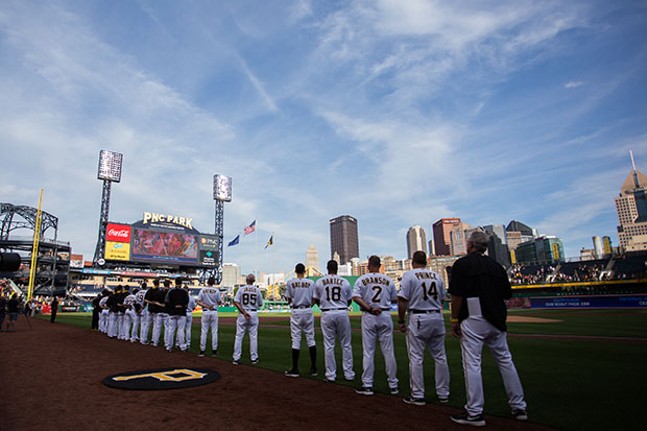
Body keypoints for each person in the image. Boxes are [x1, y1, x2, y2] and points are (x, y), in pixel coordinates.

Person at [448, 231, 528, 426]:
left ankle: (475, 412)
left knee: (472, 364)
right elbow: (506, 295)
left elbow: (457, 296)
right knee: (505, 361)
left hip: (474, 313)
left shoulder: (462, 264)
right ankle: (519, 407)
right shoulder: (497, 266)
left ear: (471, 246)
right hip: (496, 315)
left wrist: (454, 319)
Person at [397, 250, 450, 406]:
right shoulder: (436, 275)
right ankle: (443, 393)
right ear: (426, 262)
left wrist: (401, 320)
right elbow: (441, 298)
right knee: (440, 357)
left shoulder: (410, 275)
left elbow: (402, 300)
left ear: (413, 262)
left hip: (418, 317)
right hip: (436, 316)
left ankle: (418, 394)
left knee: (416, 358)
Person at [353, 255, 398, 395]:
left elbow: (355, 297)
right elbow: (394, 299)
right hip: (385, 315)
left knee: (368, 352)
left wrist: (370, 308)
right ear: (380, 266)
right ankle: (393, 385)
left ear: (368, 266)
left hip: (369, 315)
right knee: (389, 352)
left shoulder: (362, 279)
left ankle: (367, 385)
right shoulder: (388, 280)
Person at [313, 260, 355, 383]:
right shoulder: (345, 282)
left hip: (327, 312)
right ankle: (349, 374)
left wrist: (323, 305)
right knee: (346, 345)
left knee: (329, 345)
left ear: (327, 268)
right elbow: (349, 300)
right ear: (337, 268)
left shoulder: (320, 282)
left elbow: (315, 299)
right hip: (342, 312)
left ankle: (331, 374)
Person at [284, 263, 317, 378]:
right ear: (305, 271)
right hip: (308, 310)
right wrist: (309, 306)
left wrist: (293, 304)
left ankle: (295, 368)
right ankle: (313, 368)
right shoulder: (311, 282)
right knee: (310, 338)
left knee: (296, 339)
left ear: (295, 271)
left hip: (296, 310)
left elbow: (288, 298)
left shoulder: (290, 282)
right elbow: (314, 298)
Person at [232, 274, 263, 365]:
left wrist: (244, 312)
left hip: (243, 313)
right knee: (253, 337)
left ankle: (236, 358)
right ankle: (254, 358)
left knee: (239, 336)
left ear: (246, 280)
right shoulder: (257, 290)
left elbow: (236, 301)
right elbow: (260, 304)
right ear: (254, 281)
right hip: (253, 313)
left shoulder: (241, 289)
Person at [196, 276, 221, 357]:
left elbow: (198, 302)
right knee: (214, 332)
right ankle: (214, 351)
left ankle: (202, 351)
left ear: (207, 282)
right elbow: (219, 302)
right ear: (213, 282)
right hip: (214, 311)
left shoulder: (203, 290)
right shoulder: (216, 291)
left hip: (206, 311)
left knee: (204, 331)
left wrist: (206, 306)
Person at [164, 277, 189, 353]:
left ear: (175, 283)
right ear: (181, 283)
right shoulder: (184, 292)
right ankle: (182, 347)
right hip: (181, 312)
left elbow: (166, 301)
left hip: (172, 312)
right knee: (181, 330)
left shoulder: (171, 291)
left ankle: (169, 346)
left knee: (171, 330)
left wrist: (173, 306)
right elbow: (187, 302)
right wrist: (180, 305)